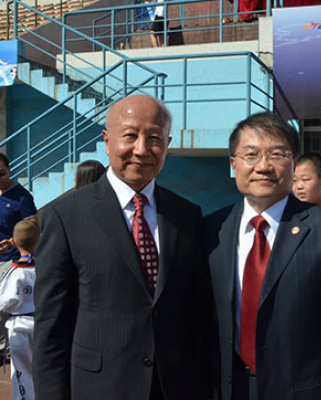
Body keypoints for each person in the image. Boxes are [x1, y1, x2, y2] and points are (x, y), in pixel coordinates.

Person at [32, 95, 209, 400]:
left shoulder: (187, 216)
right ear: (107, 140)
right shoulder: (65, 216)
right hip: (99, 387)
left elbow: (195, 313)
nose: (141, 149)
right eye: (130, 136)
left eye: (154, 138)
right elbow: (51, 325)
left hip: (174, 387)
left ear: (167, 144)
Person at [204, 112, 321, 400]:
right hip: (231, 389)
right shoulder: (212, 229)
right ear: (233, 164)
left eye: (277, 154)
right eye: (251, 154)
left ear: (293, 163)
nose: (263, 166)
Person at [0, 153, 37, 368]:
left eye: (1, 173)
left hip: (10, 261)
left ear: (9, 170)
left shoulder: (21, 197)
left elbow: (31, 229)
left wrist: (12, 242)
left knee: (4, 305)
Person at [0, 219, 40, 400]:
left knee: (22, 374)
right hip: (43, 326)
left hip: (20, 329)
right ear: (38, 240)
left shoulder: (12, 272)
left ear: (14, 242)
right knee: (45, 370)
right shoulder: (46, 268)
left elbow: (3, 302)